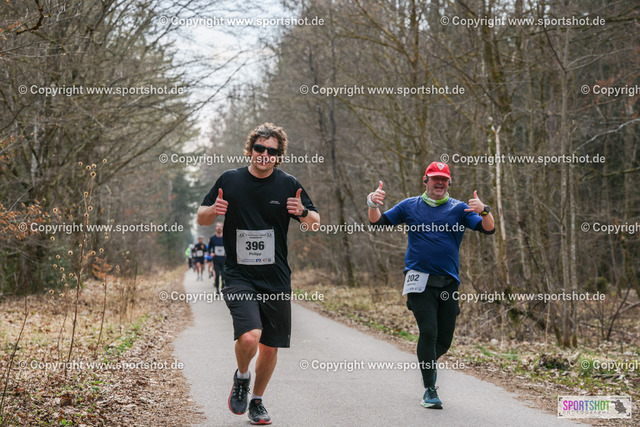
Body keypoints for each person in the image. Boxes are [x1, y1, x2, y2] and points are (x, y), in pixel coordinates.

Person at [197, 123, 320, 425]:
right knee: (250, 337)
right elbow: (201, 216)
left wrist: (303, 213)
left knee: (270, 345)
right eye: (259, 148)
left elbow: (315, 223)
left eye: (271, 151)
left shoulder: (288, 184)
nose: (264, 154)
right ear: (250, 149)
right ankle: (242, 377)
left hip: (276, 278)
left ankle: (257, 401)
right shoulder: (230, 179)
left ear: (279, 156)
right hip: (239, 275)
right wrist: (214, 209)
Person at [368, 161, 495, 409]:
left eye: (444, 179)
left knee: (444, 340)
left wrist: (485, 211)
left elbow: (488, 229)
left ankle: (426, 361)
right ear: (425, 181)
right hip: (419, 280)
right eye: (435, 178)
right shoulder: (409, 205)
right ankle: (429, 389)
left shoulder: (459, 209)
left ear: (449, 183)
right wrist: (372, 204)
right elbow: (378, 222)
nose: (439, 183)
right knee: (428, 332)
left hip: (448, 283)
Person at [209, 221, 226, 293]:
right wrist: (211, 253)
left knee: (223, 274)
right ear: (215, 228)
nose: (219, 228)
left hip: (224, 259)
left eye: (220, 226)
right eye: (218, 226)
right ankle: (217, 290)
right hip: (216, 259)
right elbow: (209, 248)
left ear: (222, 228)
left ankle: (223, 284)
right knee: (217, 275)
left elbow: (228, 247)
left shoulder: (225, 237)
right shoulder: (212, 238)